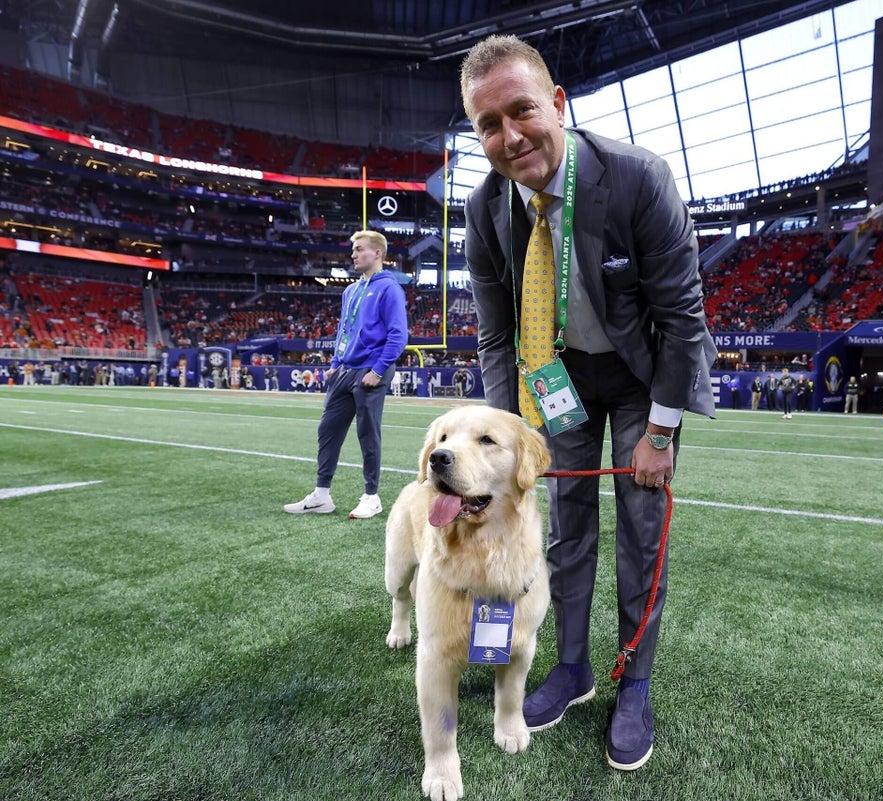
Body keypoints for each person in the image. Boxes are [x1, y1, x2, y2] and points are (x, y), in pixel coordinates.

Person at [460, 35, 717, 771]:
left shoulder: (637, 177)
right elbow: (494, 335)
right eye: (488, 125)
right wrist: (496, 443)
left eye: (522, 110)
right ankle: (570, 667)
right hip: (555, 378)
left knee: (642, 530)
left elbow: (682, 313)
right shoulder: (484, 210)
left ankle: (632, 681)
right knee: (566, 530)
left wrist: (661, 430)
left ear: (559, 105)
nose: (510, 137)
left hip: (641, 379)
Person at [284, 230, 409, 519]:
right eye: (353, 249)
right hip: (344, 369)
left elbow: (397, 335)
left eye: (359, 249)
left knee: (368, 433)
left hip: (369, 369)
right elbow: (345, 330)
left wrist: (378, 370)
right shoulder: (350, 290)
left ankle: (371, 496)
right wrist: (336, 362)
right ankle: (321, 495)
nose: (353, 254)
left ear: (377, 253)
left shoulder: (390, 288)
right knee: (327, 429)